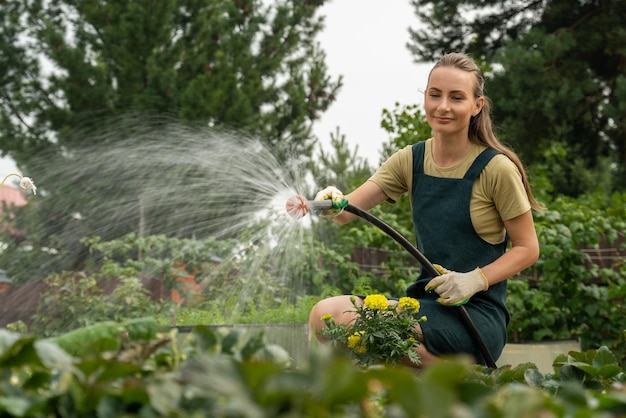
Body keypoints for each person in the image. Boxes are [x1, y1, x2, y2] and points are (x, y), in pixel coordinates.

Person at [308, 52, 543, 367]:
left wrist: (476, 279)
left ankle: (462, 381)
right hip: (424, 305)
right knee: (325, 317)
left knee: (371, 334)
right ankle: (446, 381)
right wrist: (329, 201)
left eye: (456, 97)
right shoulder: (411, 160)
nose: (443, 106)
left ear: (477, 105)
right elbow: (349, 211)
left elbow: (528, 248)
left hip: (476, 317)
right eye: (435, 95)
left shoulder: (496, 169)